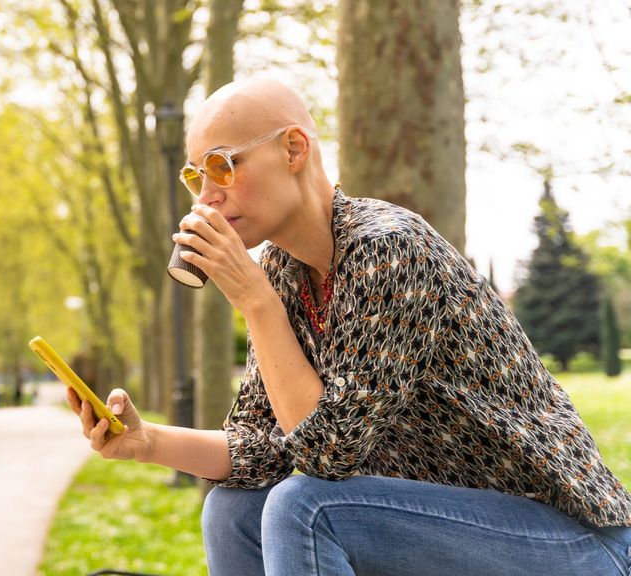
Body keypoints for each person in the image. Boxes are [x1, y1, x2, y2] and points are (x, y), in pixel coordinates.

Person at [66, 77, 631, 576]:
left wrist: (257, 306)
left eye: (223, 164)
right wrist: (146, 443)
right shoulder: (284, 273)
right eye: (196, 175)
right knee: (234, 508)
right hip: (438, 530)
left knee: (304, 506)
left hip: (571, 543)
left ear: (294, 148)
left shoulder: (388, 249)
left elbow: (327, 454)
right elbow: (267, 448)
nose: (208, 194)